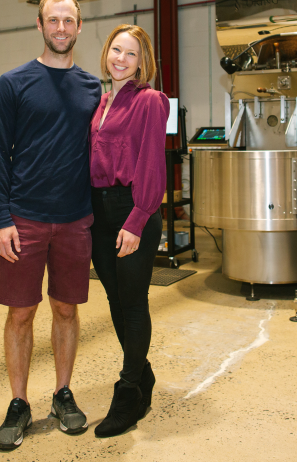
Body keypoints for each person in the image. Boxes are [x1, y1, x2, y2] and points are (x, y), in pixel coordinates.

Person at [0, 0, 101, 451]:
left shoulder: (93, 88)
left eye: (67, 20)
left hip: (75, 219)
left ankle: (62, 393)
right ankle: (19, 402)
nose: (60, 28)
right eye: (52, 20)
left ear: (78, 26)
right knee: (21, 313)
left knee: (67, 309)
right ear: (39, 25)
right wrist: (1, 218)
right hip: (25, 219)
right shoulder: (13, 84)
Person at [89, 24, 170, 437]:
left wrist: (137, 219)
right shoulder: (101, 103)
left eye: (131, 54)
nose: (121, 59)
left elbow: (154, 165)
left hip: (132, 207)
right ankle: (144, 375)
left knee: (134, 303)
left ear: (143, 62)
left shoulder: (151, 101)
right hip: (99, 213)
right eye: (116, 50)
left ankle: (128, 393)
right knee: (115, 300)